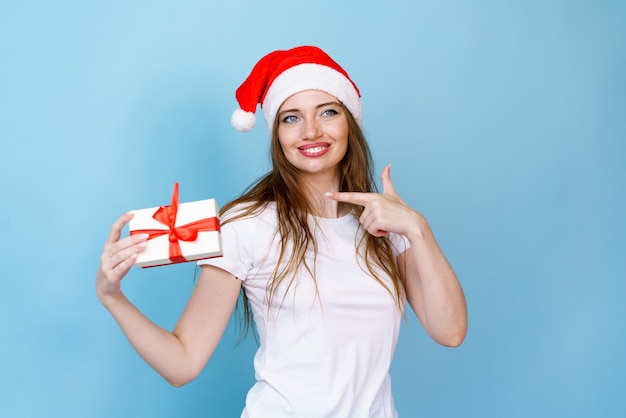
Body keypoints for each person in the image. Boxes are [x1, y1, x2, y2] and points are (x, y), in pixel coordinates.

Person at [96, 45, 468, 417]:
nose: (310, 131)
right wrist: (113, 297)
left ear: (350, 122)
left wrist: (418, 228)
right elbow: (184, 363)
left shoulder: (385, 222)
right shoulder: (246, 225)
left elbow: (450, 332)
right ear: (276, 134)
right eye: (291, 118)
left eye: (328, 111)